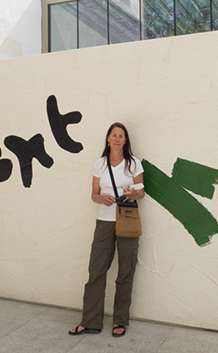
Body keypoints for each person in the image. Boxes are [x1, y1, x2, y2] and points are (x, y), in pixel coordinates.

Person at [68, 122, 145, 338]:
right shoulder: (100, 164)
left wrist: (132, 193)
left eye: (121, 135)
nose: (118, 139)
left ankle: (120, 321)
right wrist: (101, 198)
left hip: (128, 220)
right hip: (104, 221)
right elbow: (93, 194)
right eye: (114, 135)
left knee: (125, 272)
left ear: (126, 140)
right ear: (108, 139)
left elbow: (142, 193)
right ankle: (90, 321)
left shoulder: (133, 164)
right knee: (96, 272)